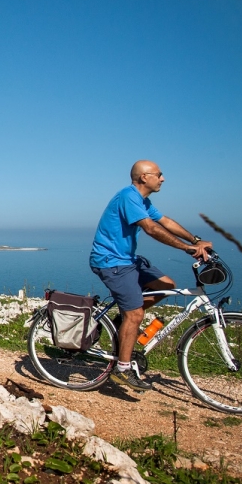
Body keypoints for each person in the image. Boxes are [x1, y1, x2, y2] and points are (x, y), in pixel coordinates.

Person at [90, 160, 212, 392]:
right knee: (135, 313)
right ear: (144, 177)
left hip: (127, 260)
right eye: (159, 174)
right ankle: (122, 369)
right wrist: (186, 249)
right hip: (111, 262)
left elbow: (164, 221)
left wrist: (195, 241)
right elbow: (151, 228)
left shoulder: (142, 200)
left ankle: (122, 323)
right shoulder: (128, 196)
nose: (163, 178)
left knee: (166, 285)